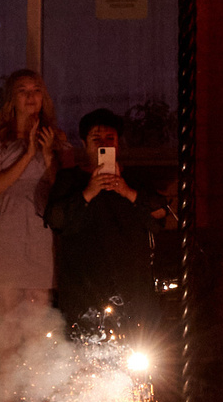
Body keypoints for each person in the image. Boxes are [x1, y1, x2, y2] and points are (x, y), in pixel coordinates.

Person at [47, 108, 164, 347]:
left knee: (135, 351)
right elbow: (56, 219)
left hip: (130, 285)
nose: (104, 144)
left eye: (109, 139)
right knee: (85, 352)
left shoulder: (135, 180)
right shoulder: (70, 180)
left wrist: (126, 191)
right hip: (84, 284)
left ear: (119, 143)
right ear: (84, 143)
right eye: (96, 140)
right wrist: (89, 191)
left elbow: (161, 214)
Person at [0, 70, 60, 378]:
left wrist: (49, 154)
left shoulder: (54, 136)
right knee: (9, 316)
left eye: (35, 90)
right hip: (9, 222)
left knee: (38, 313)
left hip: (40, 224)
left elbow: (60, 186)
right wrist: (27, 154)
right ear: (12, 98)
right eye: (23, 91)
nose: (30, 97)